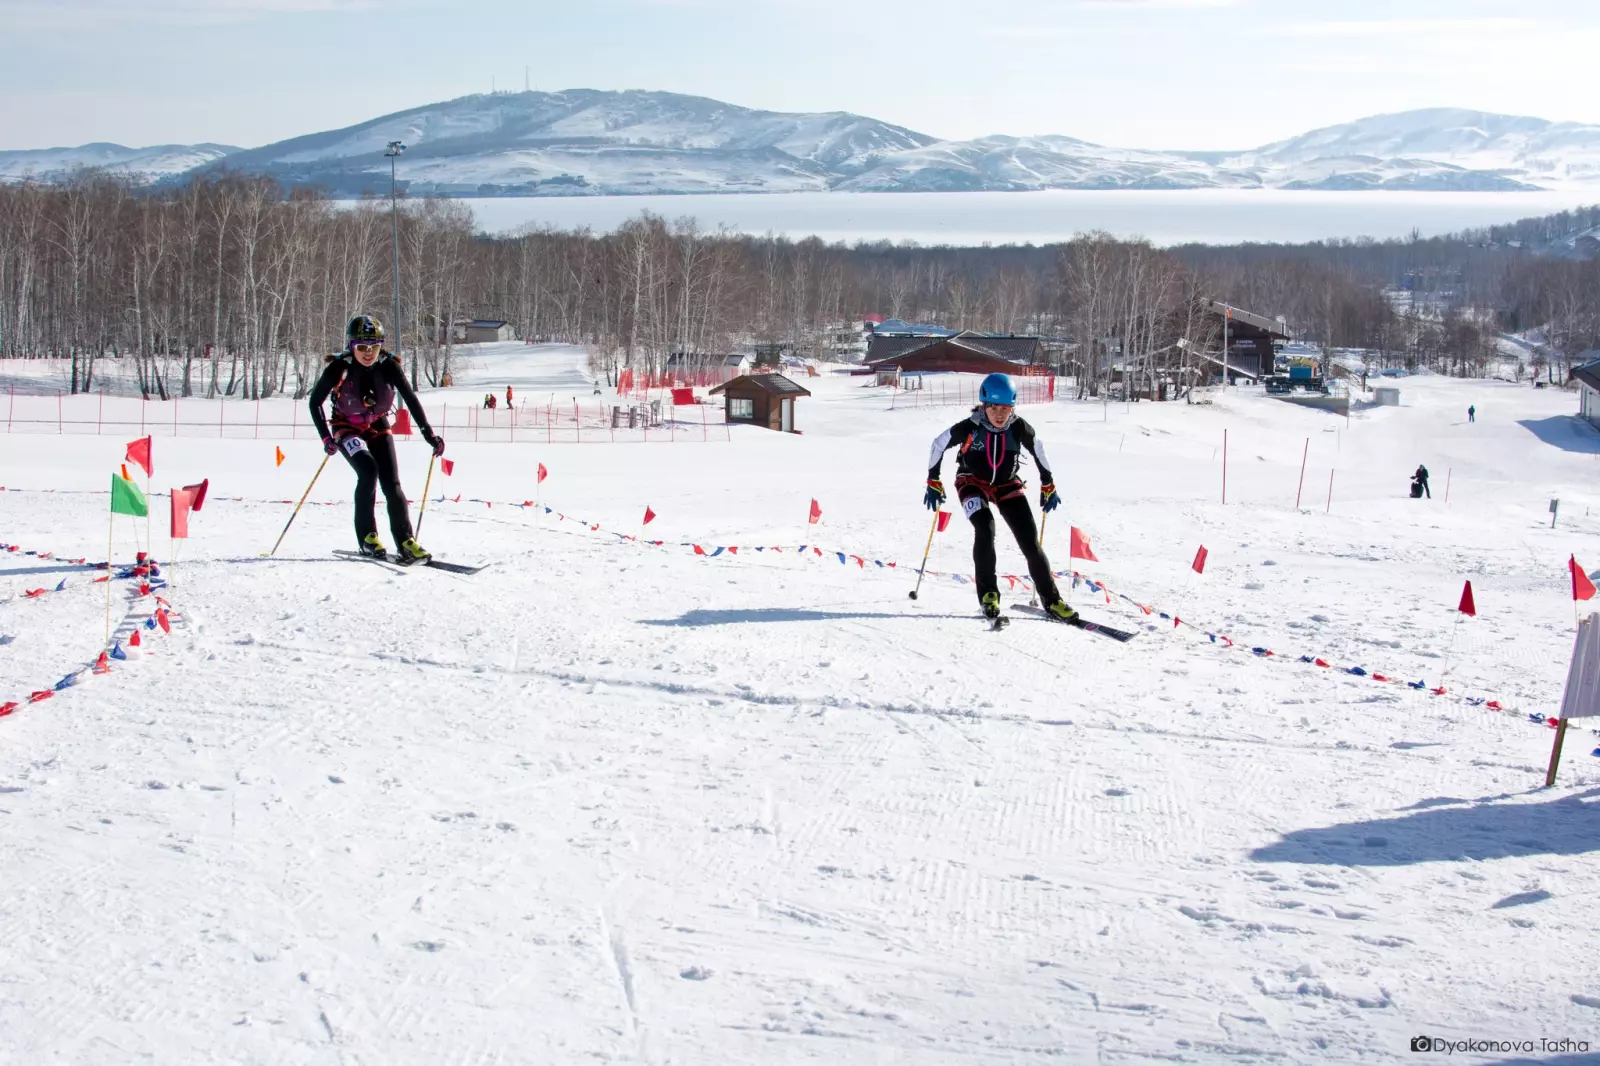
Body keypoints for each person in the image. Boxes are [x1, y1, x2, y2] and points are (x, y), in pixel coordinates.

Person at [926, 373, 1076, 623]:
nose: (999, 414)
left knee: (1030, 540)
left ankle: (1052, 601)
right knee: (985, 529)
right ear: (984, 405)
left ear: (1012, 407)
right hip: (971, 482)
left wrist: (1048, 483)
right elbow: (938, 444)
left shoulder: (1019, 427)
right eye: (994, 407)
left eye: (1005, 408)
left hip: (1006, 484)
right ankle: (989, 595)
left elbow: (1038, 449)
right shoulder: (970, 426)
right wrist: (933, 480)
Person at [309, 315, 445, 562]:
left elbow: (411, 399)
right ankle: (368, 538)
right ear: (352, 346)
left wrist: (429, 434)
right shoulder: (339, 368)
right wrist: (326, 438)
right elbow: (315, 402)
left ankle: (406, 541)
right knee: (368, 470)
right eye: (362, 347)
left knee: (392, 483)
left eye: (374, 346)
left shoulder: (389, 366)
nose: (368, 353)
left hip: (377, 424)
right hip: (346, 427)